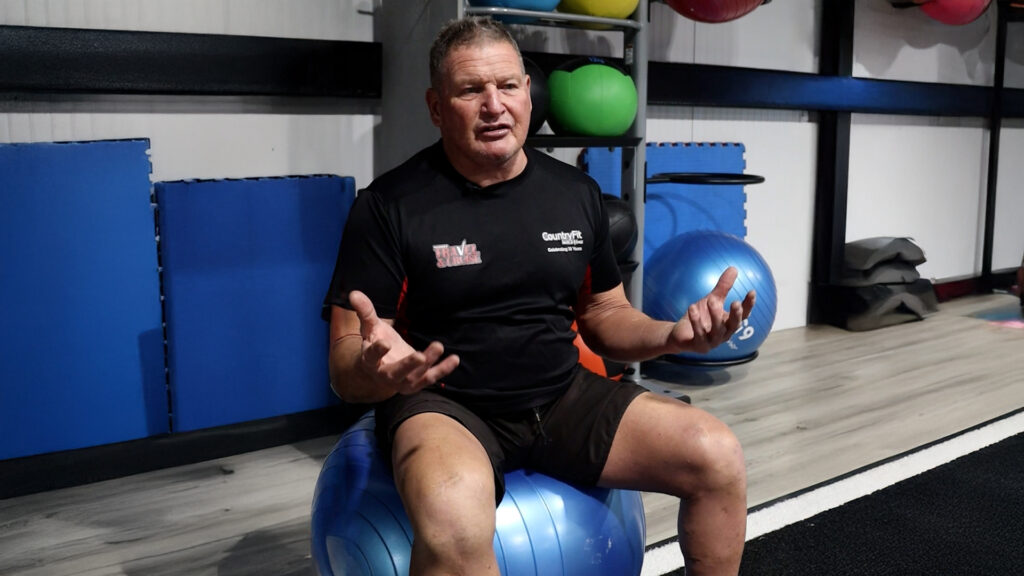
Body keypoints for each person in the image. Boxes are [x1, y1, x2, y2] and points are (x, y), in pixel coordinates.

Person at [323, 16, 754, 576]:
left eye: (507, 85)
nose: (494, 105)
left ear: (528, 92)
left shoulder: (576, 194)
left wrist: (673, 337)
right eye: (470, 89)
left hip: (561, 394)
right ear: (435, 107)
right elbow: (343, 360)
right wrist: (377, 372)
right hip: (448, 404)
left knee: (716, 454)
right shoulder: (387, 206)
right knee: (453, 520)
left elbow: (605, 314)